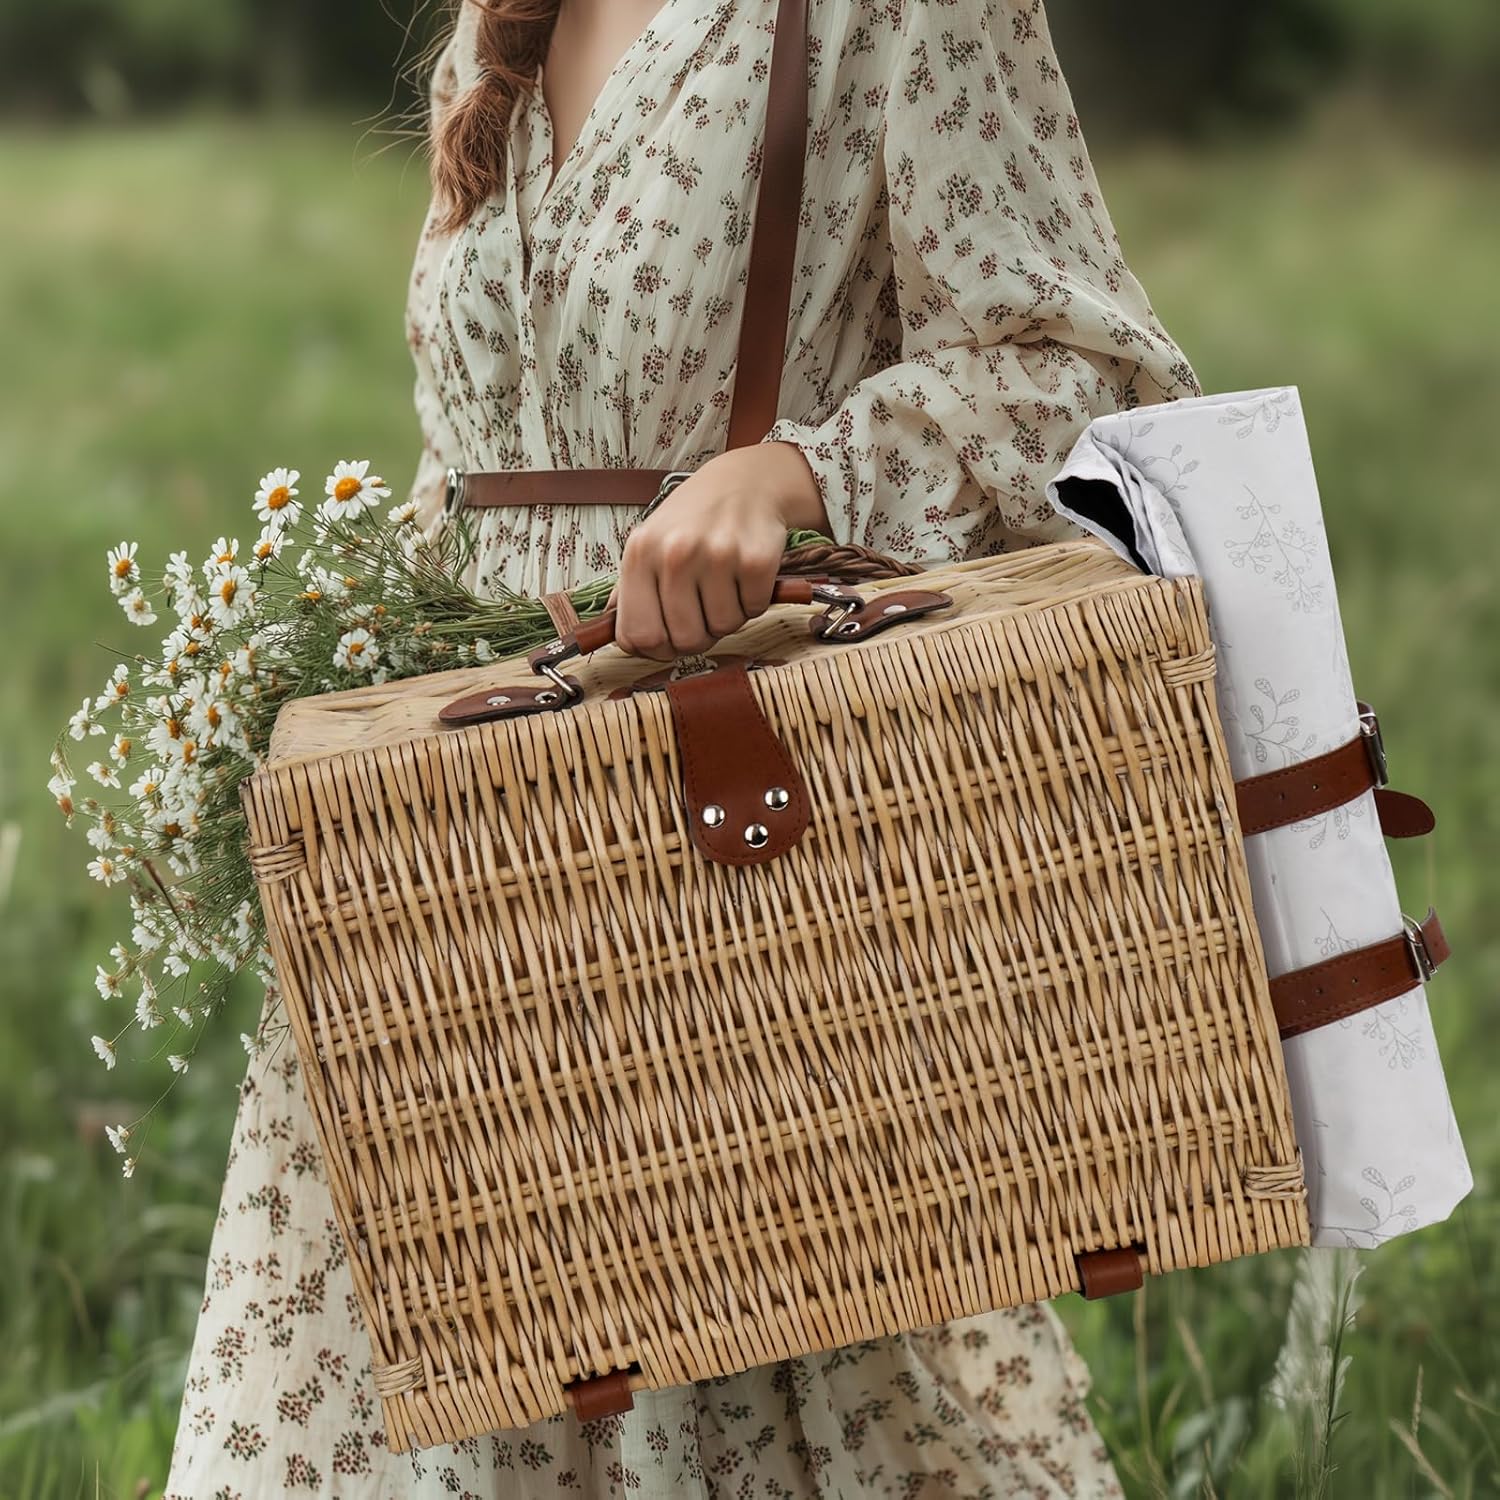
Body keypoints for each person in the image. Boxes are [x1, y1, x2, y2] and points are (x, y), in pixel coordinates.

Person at [164, 0, 1198, 1493]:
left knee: (718, 1321)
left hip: (717, 851)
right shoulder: (497, 33)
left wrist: (791, 475)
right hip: (476, 862)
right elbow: (476, 458)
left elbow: (1092, 381)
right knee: (431, 1343)